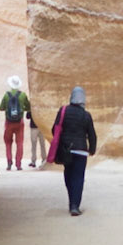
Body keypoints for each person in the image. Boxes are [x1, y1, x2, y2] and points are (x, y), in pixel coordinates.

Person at [48, 85, 97, 215]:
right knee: (78, 178)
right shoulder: (86, 115)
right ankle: (75, 205)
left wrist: (63, 140)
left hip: (66, 150)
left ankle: (71, 201)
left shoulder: (63, 110)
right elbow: (92, 134)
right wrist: (92, 149)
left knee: (68, 175)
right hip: (81, 151)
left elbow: (55, 129)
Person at [0, 76, 31, 171]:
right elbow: (28, 107)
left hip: (9, 122)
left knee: (8, 143)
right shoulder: (23, 95)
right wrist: (22, 109)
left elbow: (1, 107)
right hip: (19, 122)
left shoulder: (6, 95)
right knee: (19, 143)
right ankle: (18, 164)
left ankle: (9, 162)